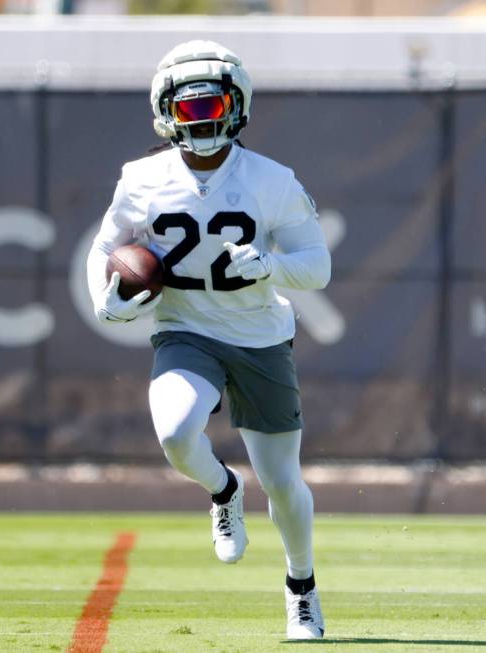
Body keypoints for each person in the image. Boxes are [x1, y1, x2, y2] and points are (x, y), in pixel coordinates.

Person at [87, 40, 331, 640]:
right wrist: (106, 297)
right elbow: (105, 247)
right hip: (186, 327)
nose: (201, 120)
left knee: (282, 482)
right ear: (165, 112)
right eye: (188, 109)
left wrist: (269, 265)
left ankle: (301, 587)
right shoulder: (141, 179)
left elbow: (317, 266)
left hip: (259, 336)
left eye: (211, 106)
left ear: (237, 104)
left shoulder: (272, 181)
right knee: (174, 432)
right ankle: (224, 488)